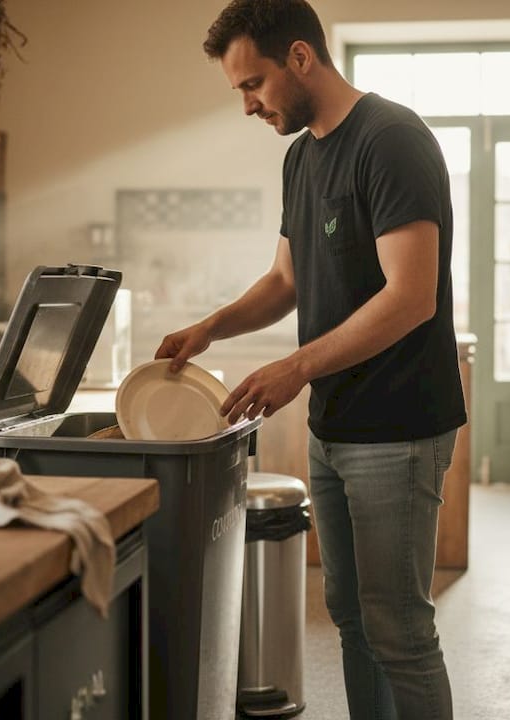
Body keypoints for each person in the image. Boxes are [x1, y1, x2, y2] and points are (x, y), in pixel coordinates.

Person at [154, 1, 465, 717]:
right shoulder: (303, 156)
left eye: (251, 84)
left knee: (401, 632)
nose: (246, 105)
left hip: (398, 430)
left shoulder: (391, 139)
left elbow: (411, 295)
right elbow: (285, 282)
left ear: (300, 57)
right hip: (336, 427)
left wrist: (297, 368)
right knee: (354, 621)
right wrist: (211, 327)